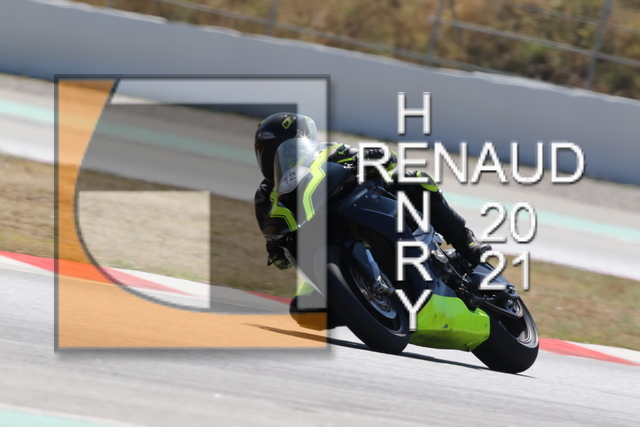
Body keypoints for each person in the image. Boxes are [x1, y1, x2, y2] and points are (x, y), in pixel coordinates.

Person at [253, 112, 489, 324]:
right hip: (323, 245)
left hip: (367, 208)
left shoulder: (330, 152)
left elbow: (383, 158)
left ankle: (465, 241)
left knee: (413, 179)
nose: (275, 158)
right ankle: (367, 308)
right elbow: (278, 249)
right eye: (267, 152)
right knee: (303, 310)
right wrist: (275, 245)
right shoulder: (265, 197)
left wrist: (376, 157)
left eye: (285, 149)